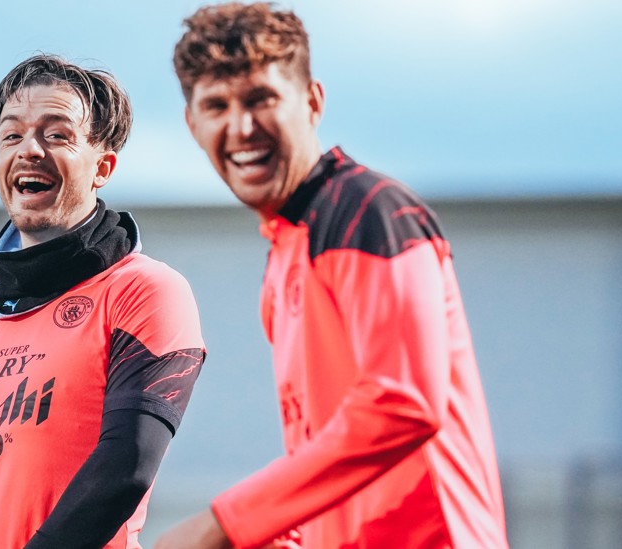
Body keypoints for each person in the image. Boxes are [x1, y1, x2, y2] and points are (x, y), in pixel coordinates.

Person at [156, 3, 509, 548]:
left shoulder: (368, 210)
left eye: (261, 99)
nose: (241, 127)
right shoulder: (285, 255)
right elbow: (325, 454)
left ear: (313, 102)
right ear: (193, 123)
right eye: (217, 105)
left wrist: (223, 525)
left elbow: (404, 401)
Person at [0, 53, 206, 549]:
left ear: (102, 167)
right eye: (12, 135)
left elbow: (124, 470)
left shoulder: (145, 290)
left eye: (57, 134)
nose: (29, 150)